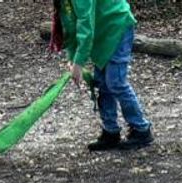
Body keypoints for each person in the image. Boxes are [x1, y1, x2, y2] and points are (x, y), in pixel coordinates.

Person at [53, 0, 152, 152]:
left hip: (117, 26)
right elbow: (71, 26)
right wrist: (72, 59)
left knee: (116, 82)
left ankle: (141, 130)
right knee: (102, 83)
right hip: (102, 32)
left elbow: (85, 27)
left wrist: (78, 64)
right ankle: (110, 132)